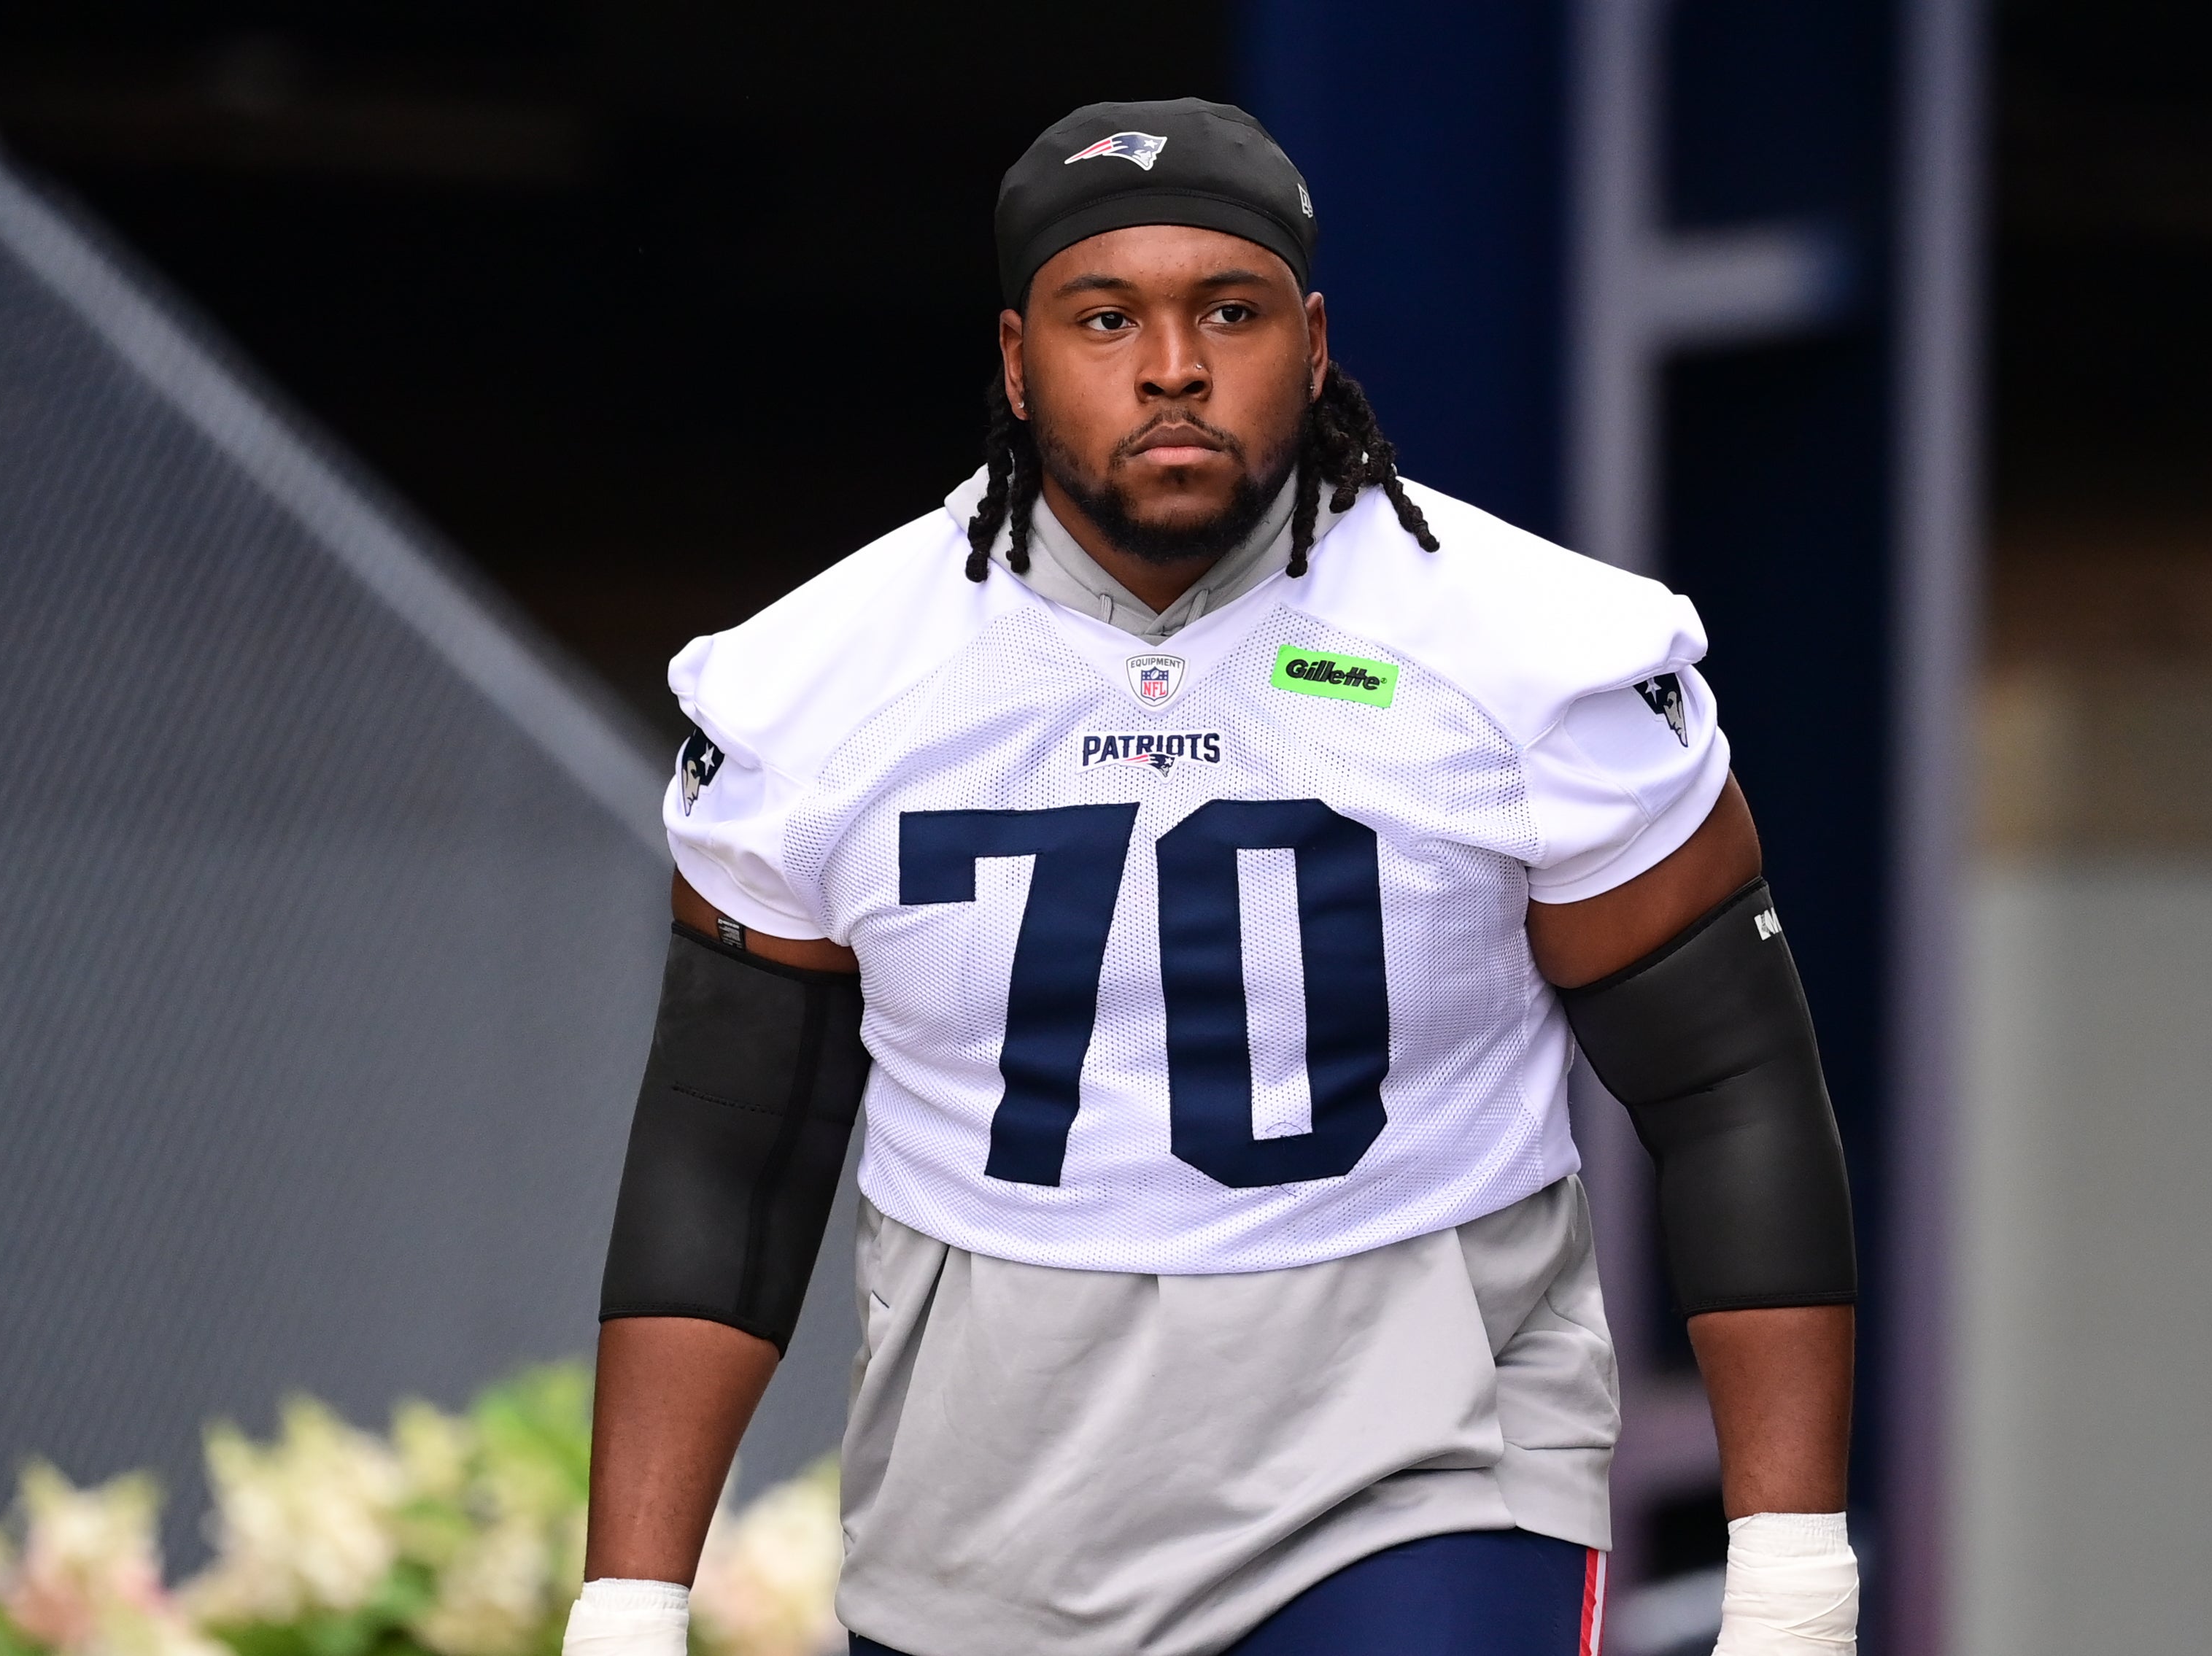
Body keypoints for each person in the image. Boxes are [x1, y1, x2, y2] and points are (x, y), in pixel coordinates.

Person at [562, 98, 1860, 1656]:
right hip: (986, 1520)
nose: (1171, 366)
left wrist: (1792, 1572)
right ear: (1016, 359)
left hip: (1422, 1480)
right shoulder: (817, 686)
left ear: (1311, 347)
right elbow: (728, 1152)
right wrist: (626, 1606)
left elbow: (1728, 1085)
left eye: (1228, 313)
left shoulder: (1529, 654)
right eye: (1106, 317)